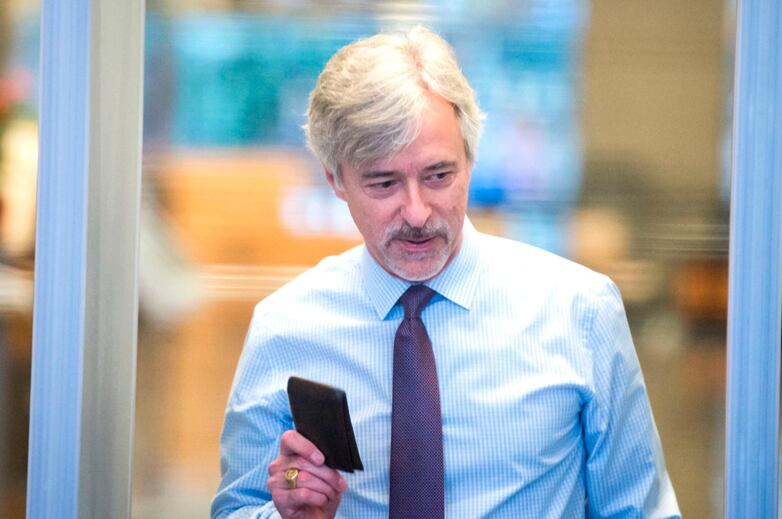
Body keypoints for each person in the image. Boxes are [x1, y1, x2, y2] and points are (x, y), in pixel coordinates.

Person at [211, 26, 680, 518]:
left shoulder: (579, 310)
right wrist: (287, 511)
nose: (416, 213)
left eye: (438, 175)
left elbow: (641, 511)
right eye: (384, 182)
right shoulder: (286, 328)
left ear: (471, 159)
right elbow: (236, 510)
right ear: (335, 179)